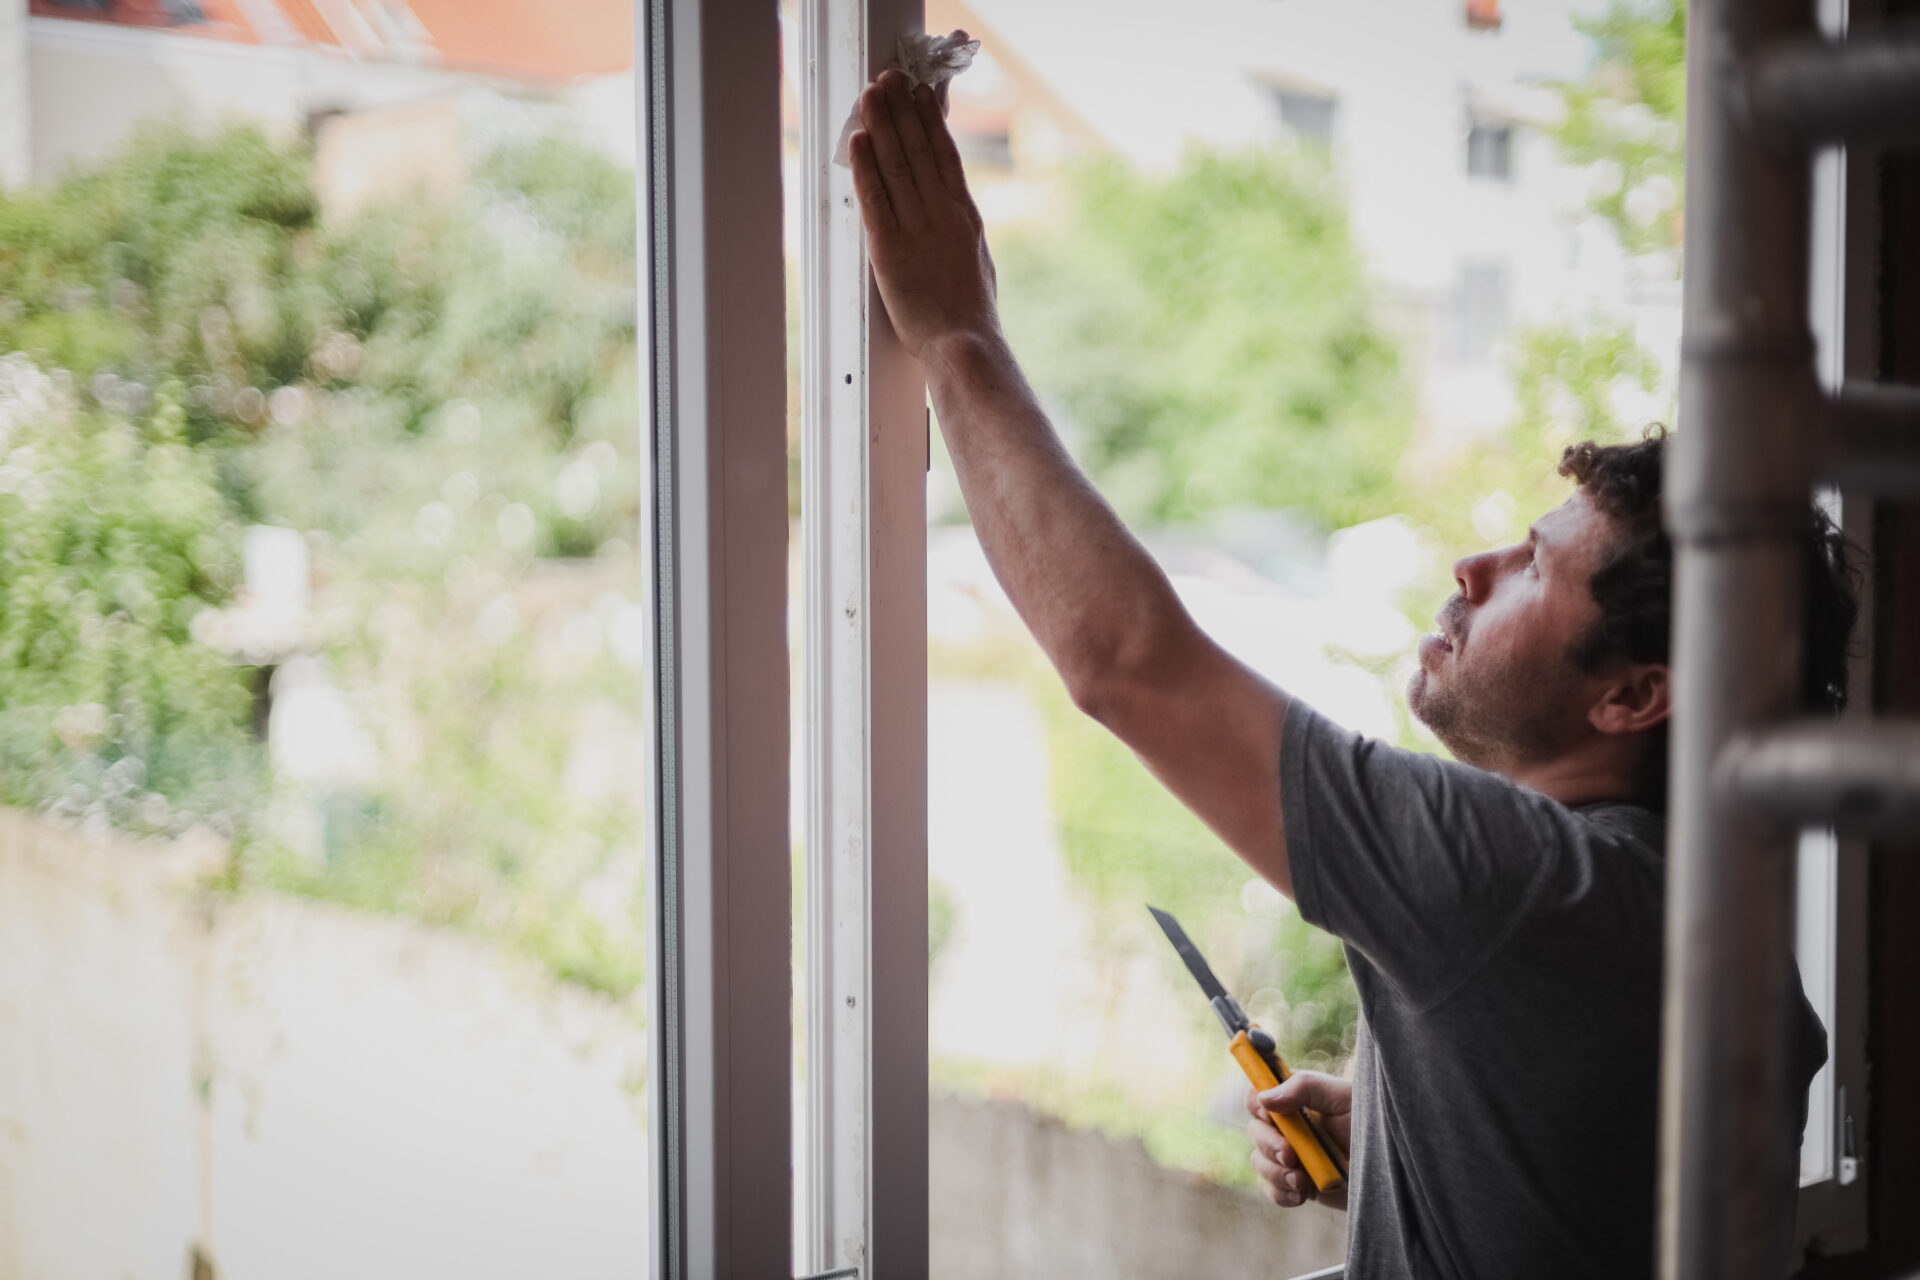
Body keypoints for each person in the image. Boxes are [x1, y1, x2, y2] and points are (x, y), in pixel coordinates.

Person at [849, 60, 1858, 1280]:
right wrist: (1402, 1133)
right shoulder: (1701, 917)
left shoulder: (1527, 883)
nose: (1475, 565)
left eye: (1535, 569)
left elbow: (1128, 662)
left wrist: (956, 337)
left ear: (1636, 694)